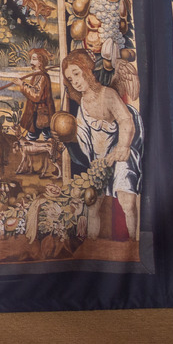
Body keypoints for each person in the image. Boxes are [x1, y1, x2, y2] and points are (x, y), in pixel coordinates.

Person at [63, 50, 141, 241]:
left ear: (87, 70)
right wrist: (69, 136)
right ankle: (92, 246)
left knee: (127, 201)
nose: (75, 82)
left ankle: (134, 243)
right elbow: (83, 135)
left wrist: (123, 147)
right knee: (92, 204)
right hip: (99, 161)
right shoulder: (83, 103)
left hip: (119, 154)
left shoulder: (108, 94)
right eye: (70, 79)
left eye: (76, 74)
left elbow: (126, 120)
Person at [17, 48, 55, 139]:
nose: (31, 62)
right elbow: (34, 89)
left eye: (34, 59)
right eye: (31, 59)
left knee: (35, 136)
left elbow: (36, 96)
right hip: (38, 111)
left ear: (41, 62)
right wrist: (23, 84)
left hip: (40, 112)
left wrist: (22, 85)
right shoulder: (38, 75)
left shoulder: (42, 76)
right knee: (46, 135)